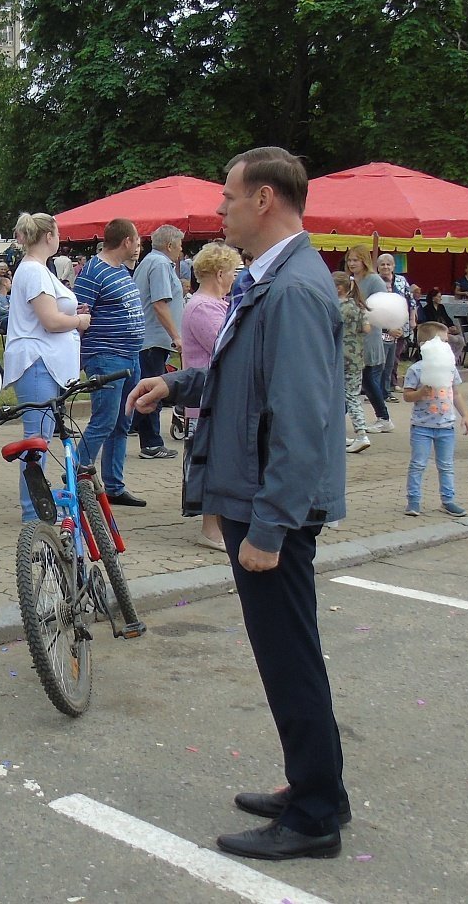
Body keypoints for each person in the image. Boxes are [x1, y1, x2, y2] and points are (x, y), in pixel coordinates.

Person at [128, 146, 349, 861]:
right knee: (287, 656)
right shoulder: (272, 279)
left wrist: (272, 525)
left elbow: (303, 416)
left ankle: (315, 815)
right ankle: (313, 785)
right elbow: (245, 379)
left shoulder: (292, 290)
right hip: (255, 495)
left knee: (291, 660)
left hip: (267, 505)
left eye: (228, 198)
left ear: (263, 201)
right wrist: (179, 386)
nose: (218, 212)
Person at [1, 213, 88, 521]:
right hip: (38, 363)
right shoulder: (35, 272)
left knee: (41, 439)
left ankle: (37, 508)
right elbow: (50, 321)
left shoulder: (38, 270)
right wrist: (79, 321)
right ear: (49, 235)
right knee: (36, 443)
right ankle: (32, 514)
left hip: (45, 363)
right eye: (58, 232)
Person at [73, 218, 147, 507]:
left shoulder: (120, 271)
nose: (139, 246)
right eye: (137, 241)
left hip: (129, 356)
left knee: (122, 421)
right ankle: (77, 479)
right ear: (126, 241)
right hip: (106, 357)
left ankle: (114, 486)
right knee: (103, 421)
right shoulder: (93, 272)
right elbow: (81, 314)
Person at [181, 242, 240, 545]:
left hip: (215, 397)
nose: (234, 278)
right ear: (219, 273)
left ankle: (219, 524)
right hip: (207, 398)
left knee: (219, 461)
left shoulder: (216, 304)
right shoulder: (204, 307)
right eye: (233, 272)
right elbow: (224, 347)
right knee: (210, 463)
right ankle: (210, 528)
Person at [400, 321, 468, 516]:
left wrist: (464, 415)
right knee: (418, 464)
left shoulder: (449, 368)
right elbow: (406, 396)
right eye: (443, 341)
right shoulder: (416, 370)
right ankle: (413, 501)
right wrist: (421, 392)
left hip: (446, 426)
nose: (447, 345)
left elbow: (455, 394)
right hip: (422, 425)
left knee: (446, 465)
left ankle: (448, 500)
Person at [131, 225, 185, 460]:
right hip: (153, 338)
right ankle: (152, 443)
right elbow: (159, 304)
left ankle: (135, 426)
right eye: (180, 245)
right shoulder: (161, 264)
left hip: (148, 338)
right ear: (170, 245)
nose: (182, 250)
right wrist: (176, 335)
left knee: (145, 385)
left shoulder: (148, 261)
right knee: (153, 390)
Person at [345, 245, 392, 433]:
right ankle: (383, 417)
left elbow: (381, 306)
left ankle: (384, 417)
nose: (352, 263)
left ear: (364, 261)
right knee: (364, 380)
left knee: (368, 378)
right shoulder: (350, 280)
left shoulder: (373, 280)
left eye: (355, 260)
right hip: (352, 335)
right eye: (349, 260)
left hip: (369, 333)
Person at [333, 272, 372, 454]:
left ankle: (361, 434)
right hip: (356, 358)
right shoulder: (358, 306)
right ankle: (340, 433)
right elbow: (366, 328)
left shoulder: (336, 308)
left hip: (338, 357)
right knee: (351, 395)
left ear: (338, 288)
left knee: (341, 396)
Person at [375, 253, 414, 395]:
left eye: (388, 264)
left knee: (395, 356)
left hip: (400, 323)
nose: (385, 267)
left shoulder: (401, 280)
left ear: (393, 266)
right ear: (377, 267)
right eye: (382, 264)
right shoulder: (375, 281)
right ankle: (379, 388)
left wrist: (412, 319)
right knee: (382, 358)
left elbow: (410, 300)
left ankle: (392, 383)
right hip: (381, 326)